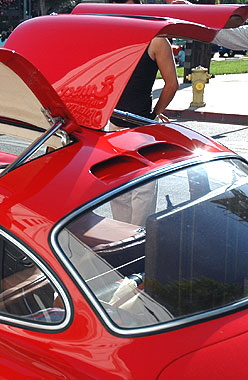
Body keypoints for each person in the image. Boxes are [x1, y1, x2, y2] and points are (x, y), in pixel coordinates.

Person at [109, 0, 179, 226]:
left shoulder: (154, 39)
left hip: (133, 125)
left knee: (132, 190)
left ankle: (135, 245)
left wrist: (154, 114)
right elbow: (171, 84)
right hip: (125, 124)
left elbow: (172, 84)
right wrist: (155, 114)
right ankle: (131, 244)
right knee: (127, 190)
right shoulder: (154, 38)